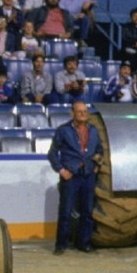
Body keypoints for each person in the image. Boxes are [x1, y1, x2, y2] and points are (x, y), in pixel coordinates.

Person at [47, 100, 104, 254]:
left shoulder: (93, 130)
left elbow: (100, 150)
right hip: (71, 177)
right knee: (65, 211)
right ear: (72, 113)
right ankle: (61, 245)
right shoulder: (63, 130)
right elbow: (52, 154)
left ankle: (83, 244)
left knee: (87, 212)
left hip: (88, 176)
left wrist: (97, 166)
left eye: (85, 111)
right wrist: (61, 170)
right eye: (79, 111)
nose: (83, 114)